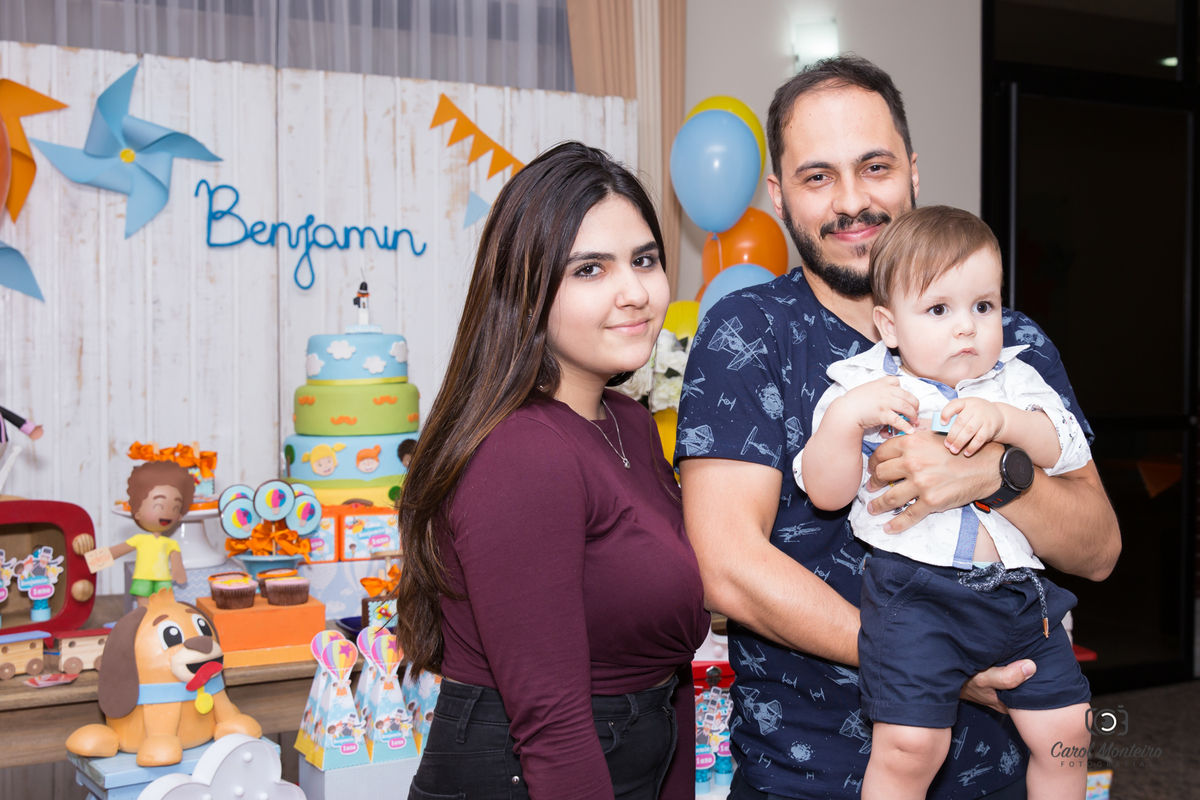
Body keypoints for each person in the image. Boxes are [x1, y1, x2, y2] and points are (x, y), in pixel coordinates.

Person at [676, 55, 1120, 799]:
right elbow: (727, 567)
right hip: (807, 775)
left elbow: (1099, 549)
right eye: (818, 177)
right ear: (779, 196)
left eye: (875, 167)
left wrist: (995, 475)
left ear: (913, 171)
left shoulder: (1007, 342)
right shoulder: (749, 333)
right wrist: (932, 659)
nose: (852, 201)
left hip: (998, 774)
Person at [396, 141, 710, 800]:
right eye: (590, 270)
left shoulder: (627, 421)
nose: (634, 292)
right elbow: (553, 725)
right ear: (527, 291)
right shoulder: (523, 452)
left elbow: (668, 671)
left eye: (644, 260)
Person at [794, 206, 1093, 799]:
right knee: (910, 747)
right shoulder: (861, 388)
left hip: (1015, 594)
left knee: (1070, 733)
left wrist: (1006, 421)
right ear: (889, 324)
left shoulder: (1015, 380)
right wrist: (847, 422)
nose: (966, 328)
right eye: (938, 310)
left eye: (983, 306)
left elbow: (1065, 447)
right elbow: (826, 494)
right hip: (916, 599)